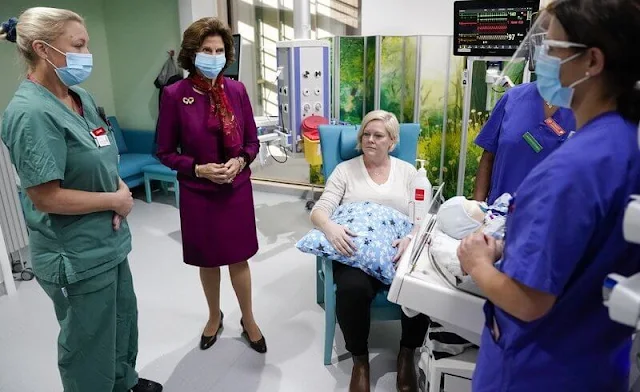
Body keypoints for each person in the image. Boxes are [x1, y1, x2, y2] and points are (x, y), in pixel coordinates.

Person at [457, 1, 640, 391]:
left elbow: (528, 301)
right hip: (595, 360)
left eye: (553, 47)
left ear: (591, 61)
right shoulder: (625, 141)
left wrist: (478, 262)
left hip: (536, 369)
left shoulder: (570, 169)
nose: (542, 57)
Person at [0, 8, 162, 392]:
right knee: (89, 344)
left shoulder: (80, 97)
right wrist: (115, 200)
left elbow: (97, 151)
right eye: (79, 45)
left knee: (123, 319)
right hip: (75, 253)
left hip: (108, 243)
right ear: (43, 49)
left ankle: (125, 381)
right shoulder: (30, 114)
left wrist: (115, 194)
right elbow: (45, 197)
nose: (86, 53)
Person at [155, 17, 266, 353]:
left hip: (235, 190)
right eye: (207, 50)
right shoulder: (175, 95)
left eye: (219, 50)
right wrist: (198, 169)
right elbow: (163, 152)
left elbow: (252, 142)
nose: (214, 56)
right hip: (198, 193)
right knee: (208, 260)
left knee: (239, 258)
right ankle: (213, 316)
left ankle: (248, 318)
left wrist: (241, 160)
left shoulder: (237, 90)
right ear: (193, 53)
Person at [310, 110, 429, 392]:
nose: (370, 140)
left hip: (397, 248)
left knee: (422, 282)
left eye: (378, 135)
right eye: (366, 134)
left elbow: (422, 216)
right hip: (356, 249)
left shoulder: (408, 173)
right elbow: (319, 210)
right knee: (352, 288)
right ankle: (360, 361)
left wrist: (411, 237)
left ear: (392, 141)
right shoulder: (345, 171)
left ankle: (406, 354)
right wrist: (331, 228)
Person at [473, 81, 576, 204]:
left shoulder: (586, 112)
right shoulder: (513, 98)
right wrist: (477, 209)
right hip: (497, 215)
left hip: (549, 218)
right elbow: (488, 157)